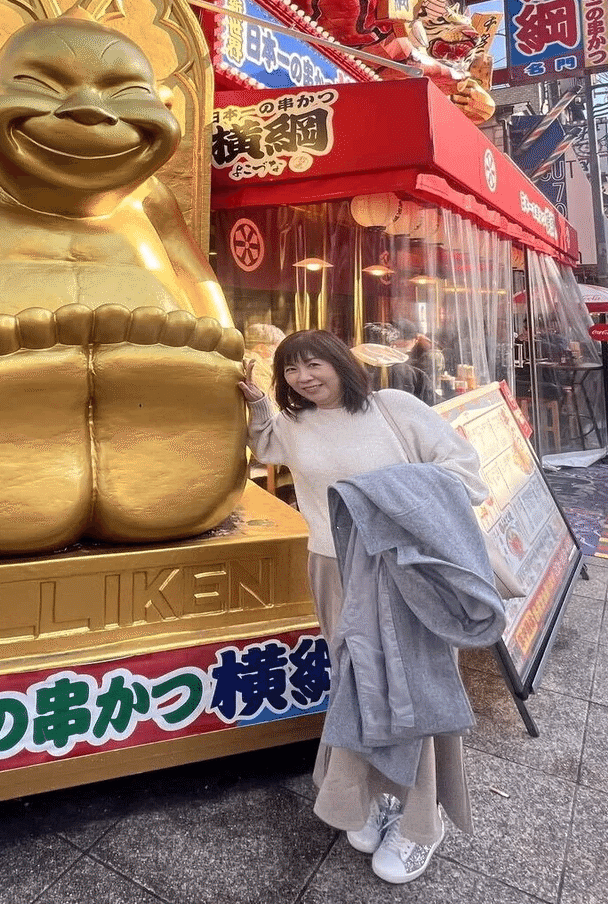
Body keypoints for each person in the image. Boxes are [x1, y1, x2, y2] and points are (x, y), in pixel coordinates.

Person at [237, 330, 490, 885]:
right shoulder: (296, 424)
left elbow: (465, 473)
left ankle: (421, 823)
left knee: (411, 686)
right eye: (291, 371)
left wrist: (385, 501)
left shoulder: (395, 408)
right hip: (332, 565)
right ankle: (371, 796)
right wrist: (257, 403)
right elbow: (267, 447)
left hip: (403, 568)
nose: (304, 378)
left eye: (314, 364)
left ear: (340, 363)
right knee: (357, 685)